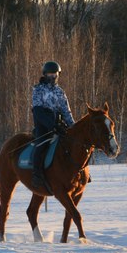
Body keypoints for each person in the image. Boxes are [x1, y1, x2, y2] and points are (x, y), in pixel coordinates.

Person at [30, 60, 74, 191]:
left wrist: (73, 127)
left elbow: (66, 111)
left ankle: (79, 172)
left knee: (73, 144)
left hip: (60, 125)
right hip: (43, 125)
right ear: (45, 75)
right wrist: (52, 125)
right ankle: (36, 174)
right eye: (50, 74)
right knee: (41, 145)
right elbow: (37, 110)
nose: (53, 77)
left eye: (55, 74)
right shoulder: (38, 89)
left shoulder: (60, 92)